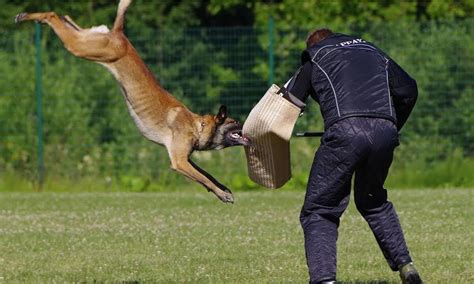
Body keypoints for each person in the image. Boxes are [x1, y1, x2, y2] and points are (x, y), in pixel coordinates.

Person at [284, 28, 422, 284]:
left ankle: (325, 280)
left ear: (312, 45)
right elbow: (408, 90)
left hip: (345, 131)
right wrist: (390, 125)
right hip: (385, 130)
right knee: (373, 201)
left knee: (320, 210)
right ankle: (407, 268)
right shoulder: (373, 51)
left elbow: (286, 103)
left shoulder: (315, 57)